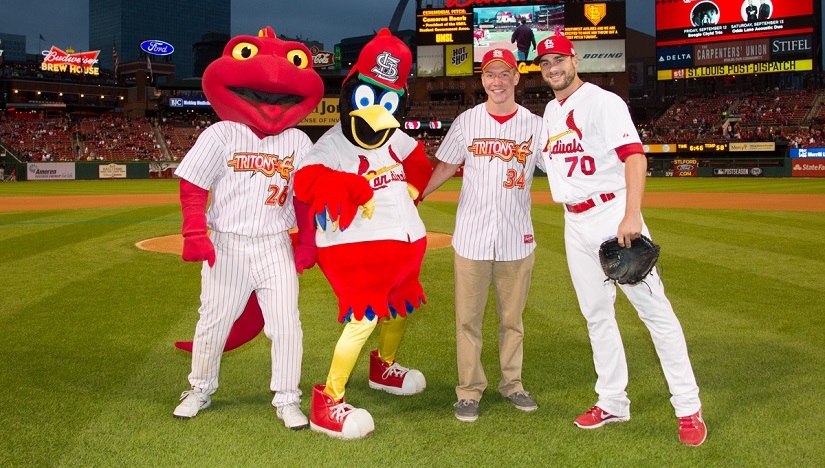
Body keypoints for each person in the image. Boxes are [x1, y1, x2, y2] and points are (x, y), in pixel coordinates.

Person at [533, 33, 707, 446]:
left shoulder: (603, 102)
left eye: (559, 59)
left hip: (613, 215)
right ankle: (613, 401)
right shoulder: (550, 111)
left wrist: (631, 214)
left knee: (655, 313)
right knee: (596, 315)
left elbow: (635, 155)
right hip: (574, 222)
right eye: (545, 63)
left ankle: (688, 407)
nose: (552, 68)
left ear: (574, 59)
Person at [171, 27, 324, 431]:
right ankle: (200, 388)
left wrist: (307, 241)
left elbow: (304, 197)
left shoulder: (297, 141)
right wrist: (194, 232)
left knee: (286, 324)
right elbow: (194, 184)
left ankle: (288, 398)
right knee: (214, 320)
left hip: (275, 244)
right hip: (228, 243)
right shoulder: (220, 133)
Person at [293, 29, 433, 440]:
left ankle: (383, 366)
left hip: (403, 246)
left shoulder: (396, 137)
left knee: (402, 308)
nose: (376, 114)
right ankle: (328, 400)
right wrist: (346, 188)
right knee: (362, 321)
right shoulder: (334, 144)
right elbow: (306, 179)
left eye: (387, 102)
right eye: (369, 99)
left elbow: (419, 157)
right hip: (356, 252)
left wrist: (414, 184)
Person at [422, 48, 543, 423]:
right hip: (472, 239)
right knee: (467, 321)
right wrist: (417, 195)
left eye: (504, 73)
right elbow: (445, 164)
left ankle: (513, 384)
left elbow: (561, 168)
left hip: (516, 238)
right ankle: (469, 390)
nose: (497, 81)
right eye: (490, 74)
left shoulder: (536, 126)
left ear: (516, 77)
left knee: (513, 321)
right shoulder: (466, 121)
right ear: (482, 80)